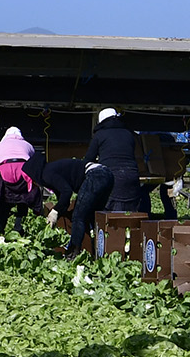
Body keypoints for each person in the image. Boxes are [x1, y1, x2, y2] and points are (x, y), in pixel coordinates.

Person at [63, 108, 148, 256]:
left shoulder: (100, 135)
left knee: (107, 216)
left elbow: (88, 159)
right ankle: (131, 251)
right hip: (131, 177)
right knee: (130, 215)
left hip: (111, 177)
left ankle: (108, 250)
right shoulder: (129, 134)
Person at [0, 125, 42, 234]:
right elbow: (34, 167)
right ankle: (18, 226)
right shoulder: (28, 146)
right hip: (24, 172)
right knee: (23, 198)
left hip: (4, 173)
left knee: (2, 202)